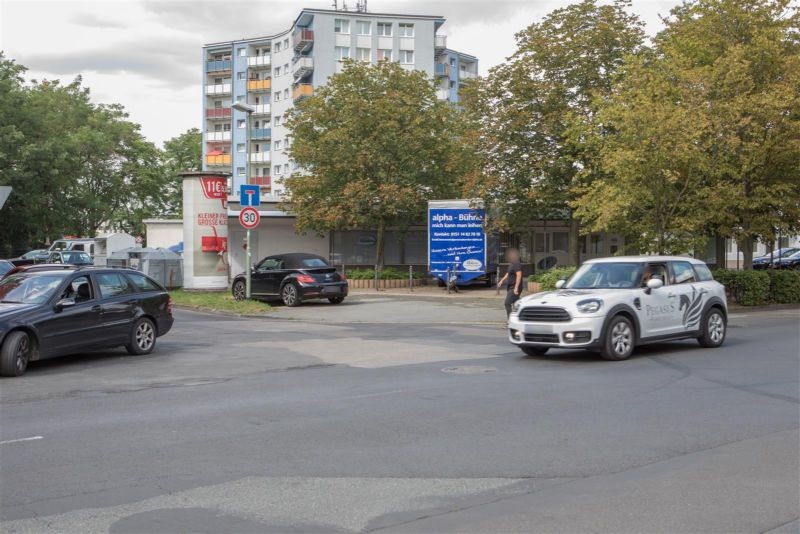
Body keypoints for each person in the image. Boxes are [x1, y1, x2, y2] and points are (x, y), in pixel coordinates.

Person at [498, 248, 523, 316]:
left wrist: (516, 287)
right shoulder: (512, 264)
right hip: (511, 287)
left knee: (507, 303)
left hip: (514, 287)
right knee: (517, 304)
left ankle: (510, 321)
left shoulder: (516, 263)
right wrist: (502, 280)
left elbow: (519, 275)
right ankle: (519, 318)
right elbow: (508, 273)